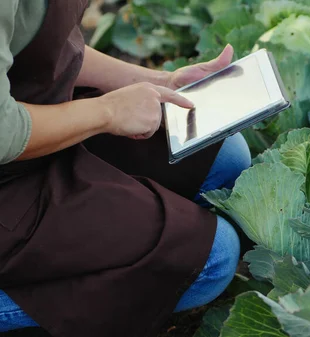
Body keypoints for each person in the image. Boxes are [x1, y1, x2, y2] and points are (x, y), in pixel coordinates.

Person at [0, 1, 250, 336]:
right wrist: (107, 113)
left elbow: (47, 45)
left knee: (223, 157)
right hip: (8, 179)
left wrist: (160, 80)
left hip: (43, 126)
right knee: (210, 260)